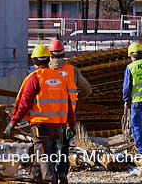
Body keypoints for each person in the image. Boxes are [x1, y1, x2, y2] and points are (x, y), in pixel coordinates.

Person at [7, 44, 74, 184]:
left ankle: (50, 180)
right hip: (57, 126)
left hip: (40, 124)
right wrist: (71, 124)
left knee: (44, 156)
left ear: (34, 61)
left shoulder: (35, 78)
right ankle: (37, 178)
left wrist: (13, 122)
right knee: (44, 154)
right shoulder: (59, 78)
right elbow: (68, 104)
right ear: (48, 59)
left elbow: (24, 103)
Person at [48, 39, 92, 184]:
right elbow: (87, 89)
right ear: (63, 53)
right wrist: (77, 98)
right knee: (63, 147)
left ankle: (52, 174)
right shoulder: (72, 70)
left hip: (48, 118)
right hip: (67, 117)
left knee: (50, 147)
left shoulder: (45, 71)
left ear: (50, 54)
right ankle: (62, 173)